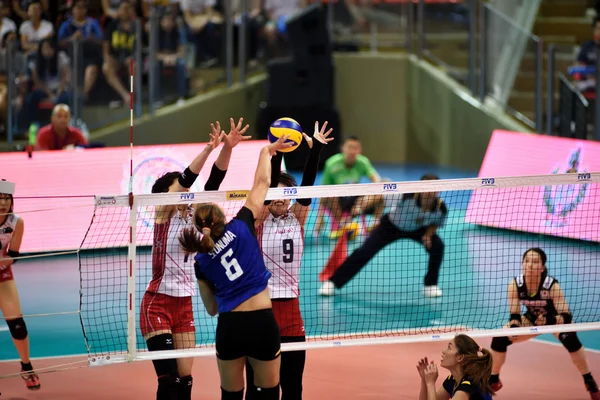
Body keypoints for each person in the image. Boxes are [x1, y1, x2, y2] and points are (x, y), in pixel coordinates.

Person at [140, 118, 250, 400]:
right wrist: (207, 148)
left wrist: (227, 148)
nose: (185, 191)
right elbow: (187, 178)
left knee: (185, 381)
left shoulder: (195, 214)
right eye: (179, 188)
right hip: (157, 303)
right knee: (168, 381)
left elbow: (216, 178)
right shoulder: (162, 213)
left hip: (185, 304)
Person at [178, 134, 293, 400]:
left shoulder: (201, 260)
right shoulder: (242, 225)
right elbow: (263, 183)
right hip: (262, 322)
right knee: (268, 392)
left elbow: (211, 309)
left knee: (230, 395)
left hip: (230, 326)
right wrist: (267, 151)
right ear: (221, 217)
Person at [245, 121, 333, 400]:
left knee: (293, 386)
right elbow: (269, 183)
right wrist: (278, 151)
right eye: (276, 194)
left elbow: (307, 186)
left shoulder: (298, 218)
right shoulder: (259, 220)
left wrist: (315, 150)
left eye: (286, 194)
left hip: (292, 313)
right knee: (259, 387)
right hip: (261, 310)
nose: (280, 199)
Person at [489, 247, 600, 399]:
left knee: (571, 339)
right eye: (527, 261)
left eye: (535, 262)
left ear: (542, 267)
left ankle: (589, 380)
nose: (529, 265)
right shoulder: (516, 284)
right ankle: (494, 379)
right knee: (500, 338)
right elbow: (514, 314)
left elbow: (566, 316)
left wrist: (549, 320)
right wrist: (514, 328)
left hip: (555, 320)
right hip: (531, 319)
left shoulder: (551, 285)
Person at [319, 174, 447, 298]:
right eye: (426, 188)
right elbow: (380, 196)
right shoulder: (405, 195)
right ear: (419, 188)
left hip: (418, 230)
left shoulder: (441, 208)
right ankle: (333, 282)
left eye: (433, 188)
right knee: (364, 251)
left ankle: (430, 285)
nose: (430, 192)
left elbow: (435, 222)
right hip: (390, 226)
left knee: (438, 246)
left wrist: (428, 235)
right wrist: (359, 208)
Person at [0, 179, 41, 391]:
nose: (3, 203)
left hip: (2, 273)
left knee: (17, 324)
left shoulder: (16, 222)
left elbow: (14, 255)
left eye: (6, 198)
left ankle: (26, 366)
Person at [314, 136, 384, 239]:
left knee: (381, 193)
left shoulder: (363, 162)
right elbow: (322, 191)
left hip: (356, 200)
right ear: (343, 148)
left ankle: (374, 224)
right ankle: (342, 223)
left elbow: (377, 181)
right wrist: (319, 217)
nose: (352, 151)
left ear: (360, 150)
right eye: (350, 147)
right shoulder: (332, 163)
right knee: (329, 195)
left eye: (356, 148)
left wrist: (361, 204)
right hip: (338, 200)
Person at [416, 334, 494, 400]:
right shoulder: (452, 380)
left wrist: (430, 384)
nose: (444, 351)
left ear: (460, 357)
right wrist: (425, 380)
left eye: (449, 348)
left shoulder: (467, 387)